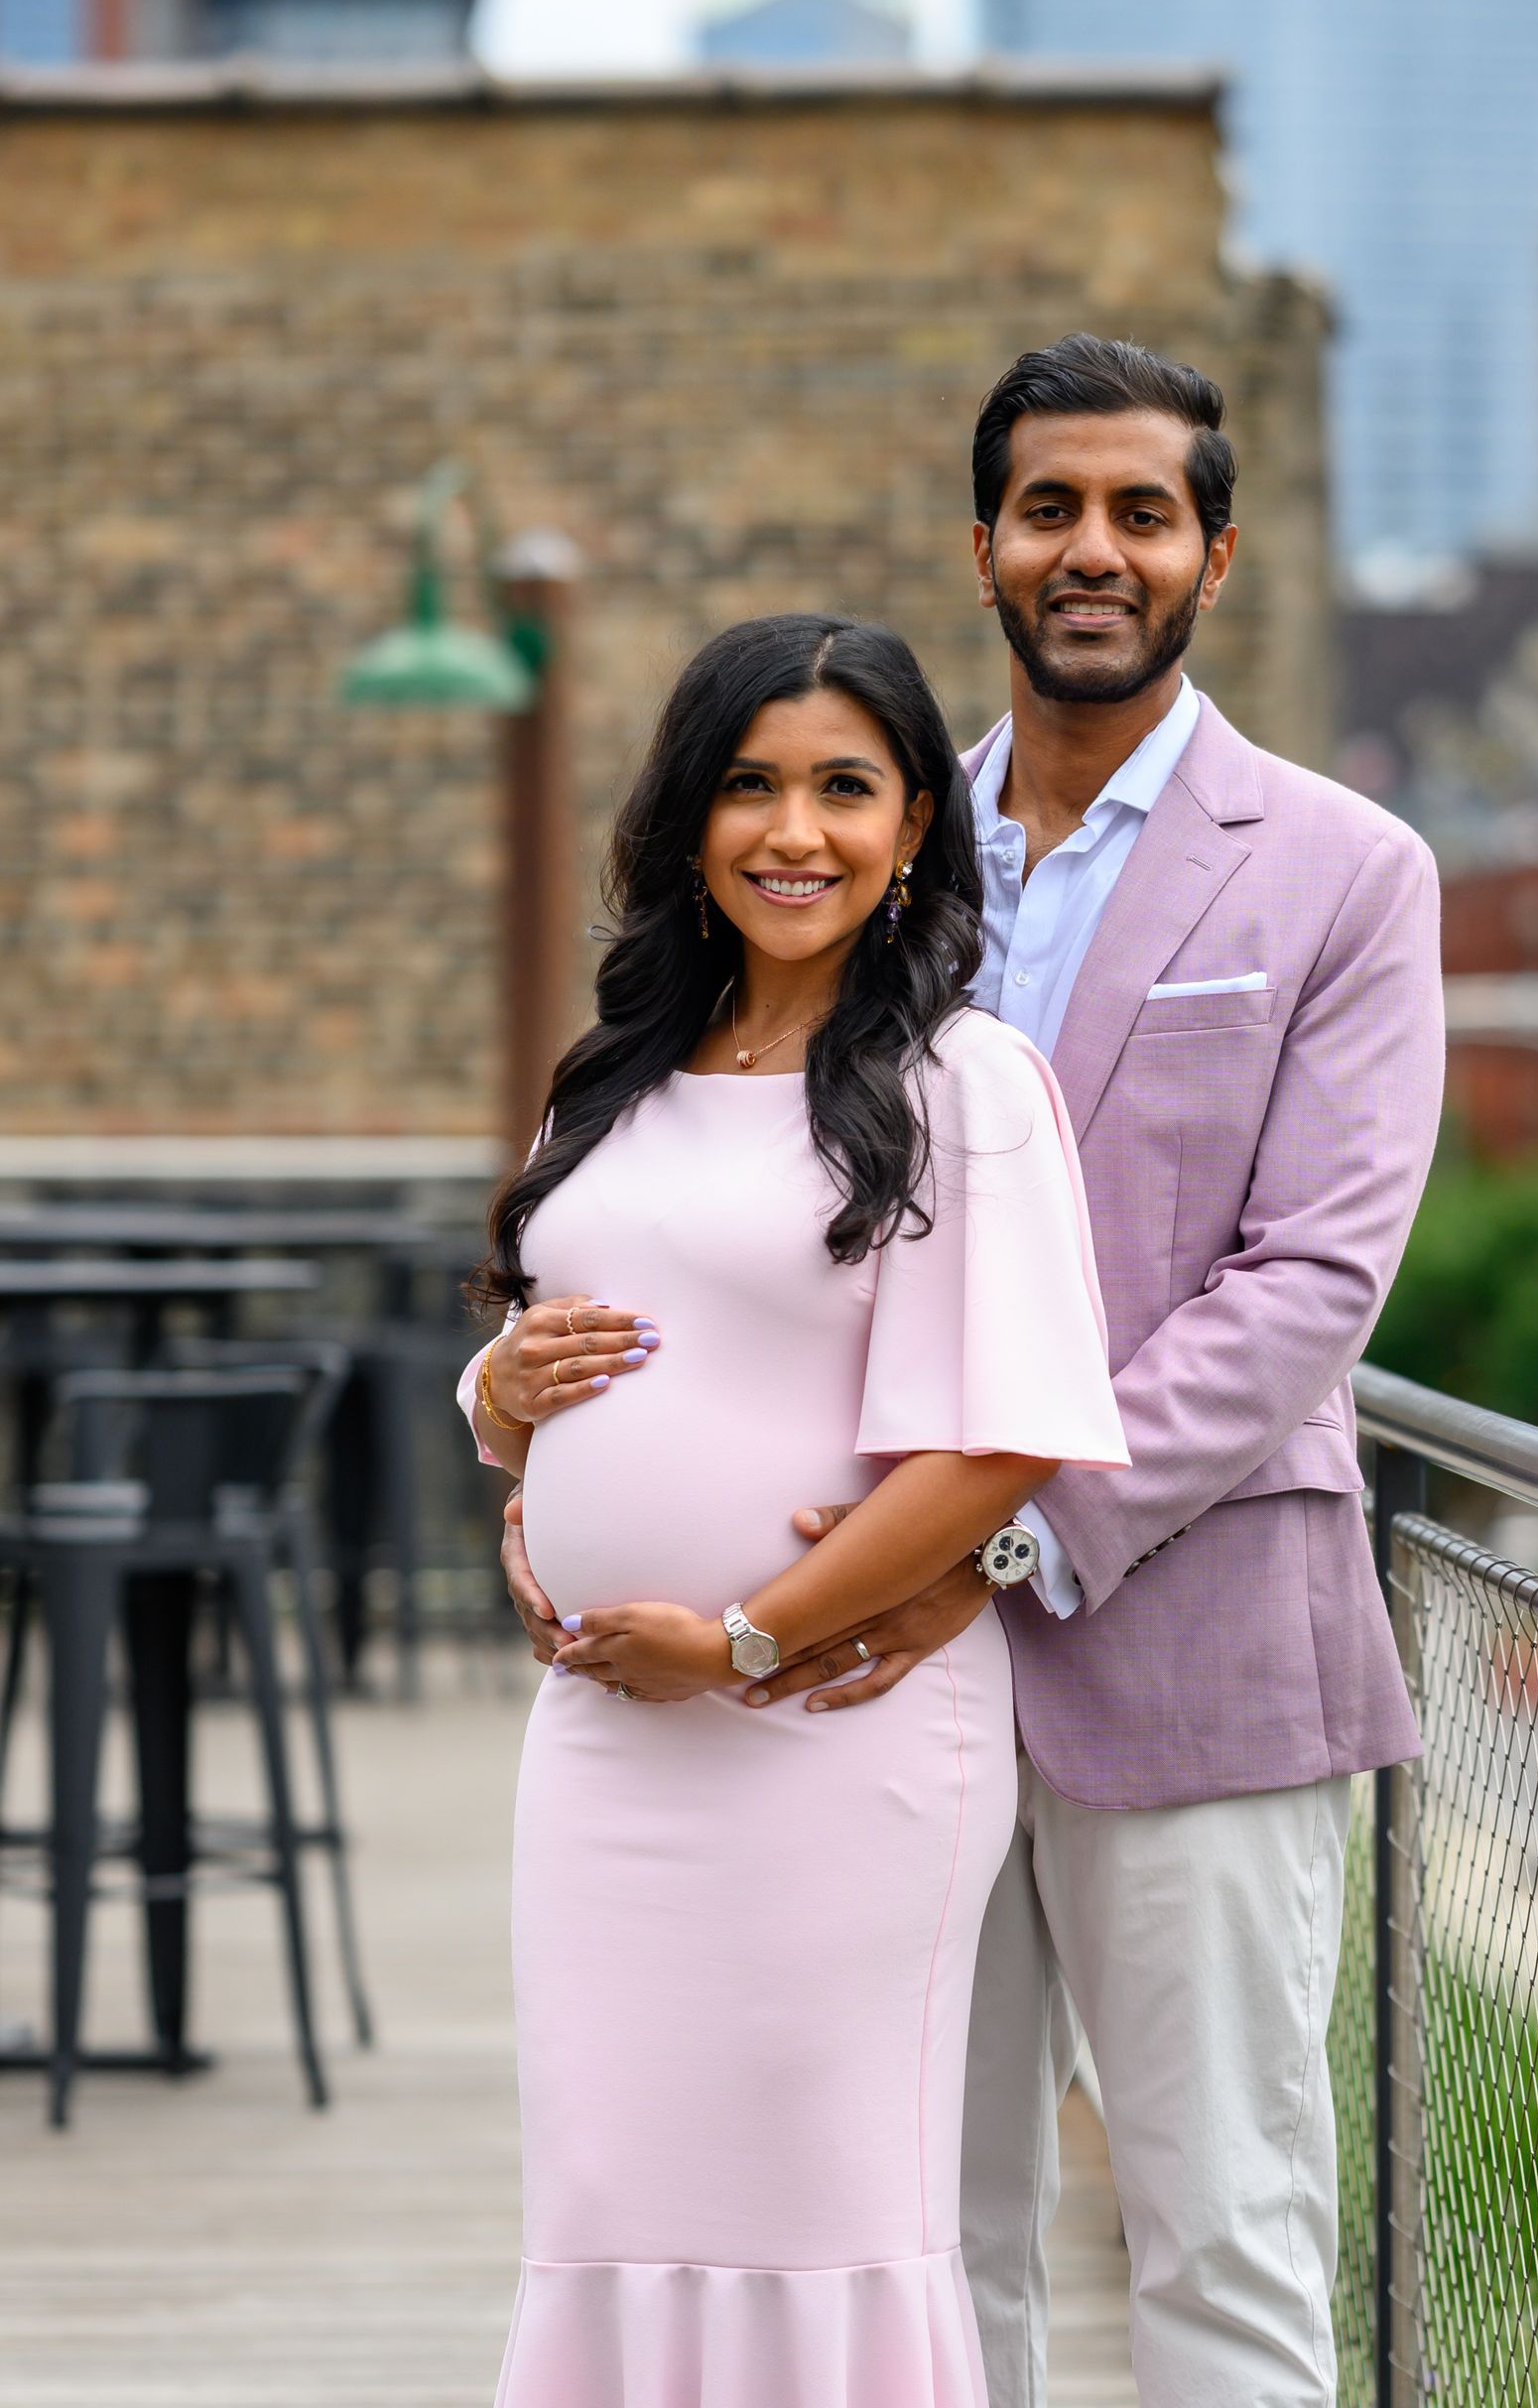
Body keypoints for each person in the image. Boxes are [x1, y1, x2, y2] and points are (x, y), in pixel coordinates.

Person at [746, 335, 1445, 2405]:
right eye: (1052, 506)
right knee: (929, 2243)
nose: (1094, 549)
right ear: (984, 544)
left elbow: (1316, 1276)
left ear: (1212, 552)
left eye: (1144, 511)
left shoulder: (1343, 870)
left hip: (1198, 1626)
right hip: (890, 1657)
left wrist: (1012, 1530)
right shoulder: (873, 858)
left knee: (1222, 2234)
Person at [459, 611, 1128, 2408]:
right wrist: (498, 1407)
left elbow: (1003, 1447)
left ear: (918, 826)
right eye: (750, 785)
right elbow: (546, 1354)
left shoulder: (963, 1087)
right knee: (608, 2191)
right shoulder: (610, 1081)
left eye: (846, 788)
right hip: (604, 1747)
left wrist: (746, 1636)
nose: (794, 831)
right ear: (689, 820)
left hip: (832, 1735)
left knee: (827, 2198)